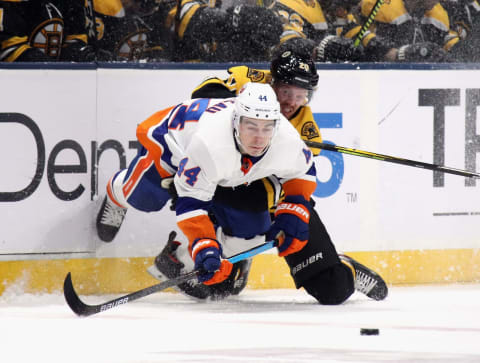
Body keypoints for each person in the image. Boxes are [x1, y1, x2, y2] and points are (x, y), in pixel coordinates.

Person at [146, 48, 389, 303]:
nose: (291, 102)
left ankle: (342, 266)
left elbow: (299, 180)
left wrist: (294, 211)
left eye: (300, 95)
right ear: (272, 83)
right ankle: (181, 256)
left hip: (274, 201)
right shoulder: (248, 83)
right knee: (220, 285)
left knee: (333, 289)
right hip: (230, 187)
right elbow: (203, 95)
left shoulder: (304, 130)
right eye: (285, 92)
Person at [97, 82, 329, 300]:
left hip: (225, 168)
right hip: (170, 142)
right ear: (236, 121)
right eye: (251, 126)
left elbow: (303, 171)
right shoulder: (210, 145)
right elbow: (191, 204)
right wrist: (205, 246)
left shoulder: (285, 138)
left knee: (253, 226)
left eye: (267, 127)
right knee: (143, 198)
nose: (259, 138)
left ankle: (182, 259)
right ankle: (116, 193)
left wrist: (295, 209)